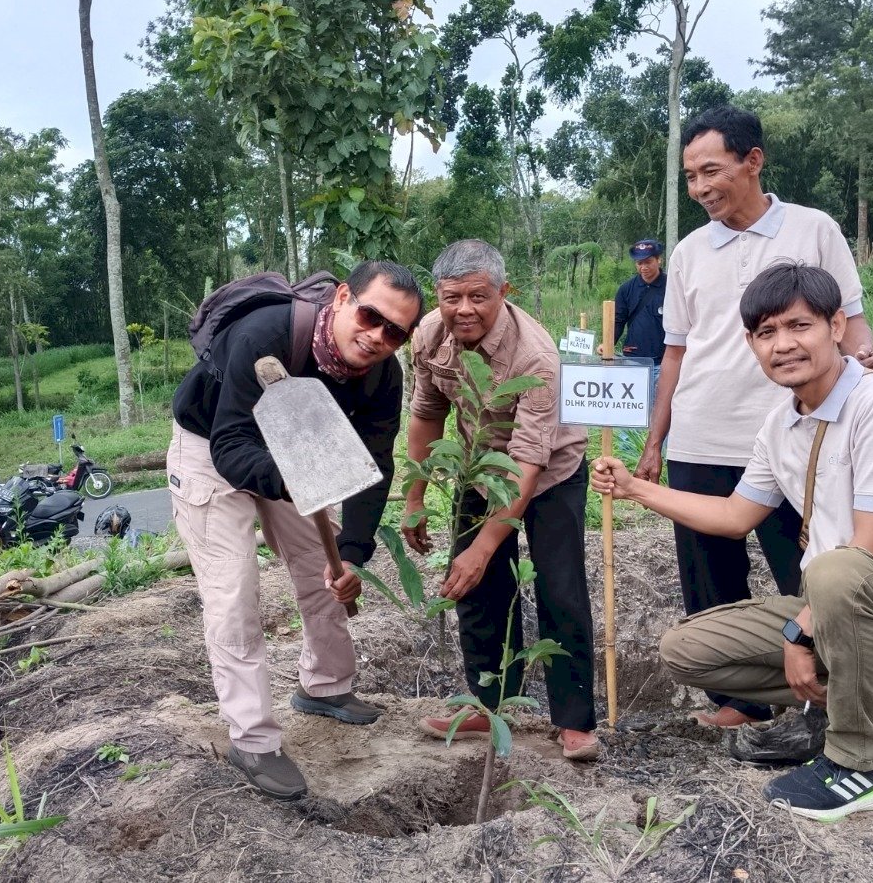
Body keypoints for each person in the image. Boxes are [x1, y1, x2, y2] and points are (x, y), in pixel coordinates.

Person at [593, 263, 873, 820]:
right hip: (838, 608)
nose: (783, 345)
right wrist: (633, 490)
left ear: (836, 326)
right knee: (686, 650)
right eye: (766, 333)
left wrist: (799, 633)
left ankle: (861, 764)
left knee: (834, 571)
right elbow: (733, 515)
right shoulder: (781, 423)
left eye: (799, 326)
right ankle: (862, 700)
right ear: (751, 343)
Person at [634, 104, 873, 729]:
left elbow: (848, 321)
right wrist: (656, 438)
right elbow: (675, 350)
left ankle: (841, 692)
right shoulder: (689, 252)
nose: (700, 188)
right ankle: (740, 702)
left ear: (753, 161)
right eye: (690, 177)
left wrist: (867, 386)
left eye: (711, 171)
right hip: (702, 433)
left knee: (813, 568)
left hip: (798, 436)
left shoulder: (813, 229)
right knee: (709, 576)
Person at [168, 260, 422, 801]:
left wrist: (352, 554)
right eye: (371, 316)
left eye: (395, 332)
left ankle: (325, 686)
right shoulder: (267, 334)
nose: (378, 337)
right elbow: (231, 444)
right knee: (234, 590)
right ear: (343, 298)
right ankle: (253, 738)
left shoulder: (382, 375)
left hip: (299, 446)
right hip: (212, 445)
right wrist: (299, 478)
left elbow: (373, 466)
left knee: (321, 566)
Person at [404, 239, 600, 761]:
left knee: (560, 588)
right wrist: (415, 496)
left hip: (551, 471)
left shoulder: (535, 356)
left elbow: (529, 463)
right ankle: (485, 705)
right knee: (476, 590)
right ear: (438, 296)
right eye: (451, 297)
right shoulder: (428, 335)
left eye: (477, 297)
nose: (463, 310)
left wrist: (485, 545)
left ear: (502, 293)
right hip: (478, 467)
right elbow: (427, 414)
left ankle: (575, 721)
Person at [613, 239, 667, 453]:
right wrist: (607, 344)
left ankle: (662, 457)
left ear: (658, 260)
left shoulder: (672, 286)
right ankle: (627, 456)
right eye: (639, 263)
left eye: (648, 262)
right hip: (633, 360)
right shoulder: (627, 289)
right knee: (630, 410)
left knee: (664, 411)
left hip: (665, 362)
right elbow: (618, 320)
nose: (643, 267)